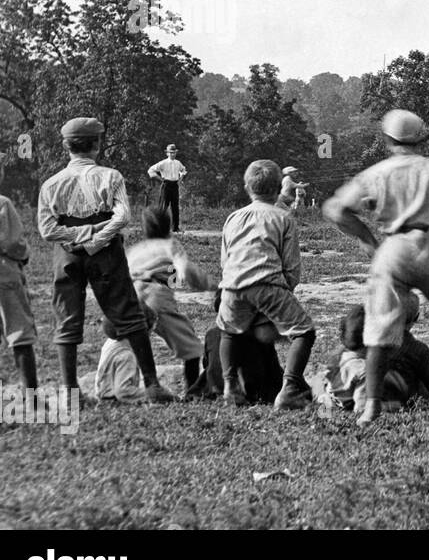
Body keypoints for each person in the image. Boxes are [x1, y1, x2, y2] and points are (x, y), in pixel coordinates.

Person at [323, 109, 429, 426]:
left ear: (388, 139)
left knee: (378, 327)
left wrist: (366, 238)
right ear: (422, 138)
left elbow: (336, 209)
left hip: (393, 246)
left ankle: (371, 406)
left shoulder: (377, 172)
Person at [38, 117, 174, 403]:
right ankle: (152, 384)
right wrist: (96, 238)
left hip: (66, 252)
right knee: (127, 311)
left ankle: (70, 391)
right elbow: (122, 217)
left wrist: (77, 237)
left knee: (67, 316)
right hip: (106, 251)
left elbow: (47, 229)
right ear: (97, 145)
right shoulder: (111, 176)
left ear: (66, 146)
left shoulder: (51, 184)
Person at [217, 159, 316, 411]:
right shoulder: (283, 218)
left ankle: (230, 388)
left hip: (232, 286)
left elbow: (224, 259)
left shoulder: (233, 218)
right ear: (277, 189)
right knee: (303, 331)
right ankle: (290, 389)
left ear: (246, 188)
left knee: (229, 331)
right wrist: (284, 293)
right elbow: (291, 267)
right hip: (268, 284)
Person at [101, 208, 211, 397]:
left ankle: (110, 383)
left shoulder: (137, 249)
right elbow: (185, 270)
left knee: (126, 339)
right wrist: (208, 284)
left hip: (131, 293)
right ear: (168, 227)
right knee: (191, 346)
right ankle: (192, 391)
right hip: (157, 295)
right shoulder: (170, 245)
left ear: (144, 229)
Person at [0, 147, 38, 392]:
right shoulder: (0, 202)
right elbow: (12, 243)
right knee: (20, 332)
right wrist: (23, 256)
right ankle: (32, 397)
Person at [325, 300, 429, 414]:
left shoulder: (340, 355)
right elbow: (361, 408)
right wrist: (396, 406)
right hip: (346, 403)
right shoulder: (365, 371)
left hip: (330, 396)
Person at [185, 289, 283, 403]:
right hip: (250, 391)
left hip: (214, 388)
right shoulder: (257, 333)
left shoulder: (211, 334)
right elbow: (273, 370)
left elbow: (208, 363)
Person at [147, 144, 187, 232]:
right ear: (167, 153)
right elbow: (150, 170)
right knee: (163, 207)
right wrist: (159, 179)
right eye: (171, 153)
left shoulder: (178, 163)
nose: (173, 154)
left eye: (174, 153)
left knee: (175, 207)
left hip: (175, 185)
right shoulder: (163, 163)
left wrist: (180, 179)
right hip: (166, 185)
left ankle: (175, 228)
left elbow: (183, 170)